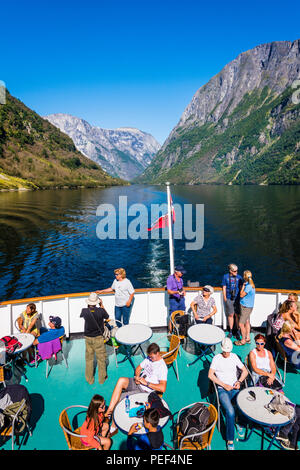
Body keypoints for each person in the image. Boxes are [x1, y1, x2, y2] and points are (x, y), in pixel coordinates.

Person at [105, 343, 168, 434]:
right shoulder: (149, 358)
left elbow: (163, 388)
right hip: (138, 383)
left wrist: (146, 383)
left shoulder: (162, 367)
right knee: (121, 380)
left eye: (151, 357)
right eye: (149, 357)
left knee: (120, 398)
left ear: (157, 353)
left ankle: (113, 427)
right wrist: (137, 377)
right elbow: (138, 368)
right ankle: (109, 412)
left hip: (144, 391)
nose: (150, 358)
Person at [208, 337, 248, 450]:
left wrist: (239, 381)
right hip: (222, 390)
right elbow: (210, 375)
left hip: (234, 388)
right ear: (222, 349)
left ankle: (239, 423)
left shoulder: (234, 357)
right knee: (230, 411)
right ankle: (230, 440)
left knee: (243, 405)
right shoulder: (216, 358)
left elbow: (244, 371)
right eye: (225, 351)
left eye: (228, 351)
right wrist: (223, 385)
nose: (226, 353)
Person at [80, 292, 109, 385]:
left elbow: (82, 315)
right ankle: (102, 379)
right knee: (101, 359)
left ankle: (89, 379)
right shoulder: (101, 311)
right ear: (97, 302)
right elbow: (107, 317)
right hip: (98, 338)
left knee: (89, 359)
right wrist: (101, 305)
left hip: (88, 338)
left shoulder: (84, 311)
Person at [222, 264, 243, 339]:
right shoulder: (225, 277)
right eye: (234, 271)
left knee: (237, 315)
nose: (236, 272)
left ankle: (237, 330)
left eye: (237, 271)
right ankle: (230, 330)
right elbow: (224, 287)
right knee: (230, 315)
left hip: (237, 299)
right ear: (230, 271)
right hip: (229, 298)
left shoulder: (239, 277)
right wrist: (225, 298)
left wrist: (241, 298)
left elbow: (241, 288)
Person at [234, 270, 255, 346]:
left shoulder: (248, 286)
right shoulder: (251, 284)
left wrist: (242, 287)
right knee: (247, 322)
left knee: (241, 324)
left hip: (245, 307)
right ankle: (248, 338)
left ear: (244, 277)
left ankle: (243, 340)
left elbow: (241, 295)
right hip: (248, 306)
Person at [166, 266, 186, 332]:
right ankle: (170, 331)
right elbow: (169, 291)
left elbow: (182, 287)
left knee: (182, 314)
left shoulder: (181, 279)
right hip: (173, 300)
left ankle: (181, 331)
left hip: (181, 299)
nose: (182, 274)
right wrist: (177, 292)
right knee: (172, 315)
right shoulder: (170, 279)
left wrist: (184, 291)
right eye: (181, 272)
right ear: (176, 272)